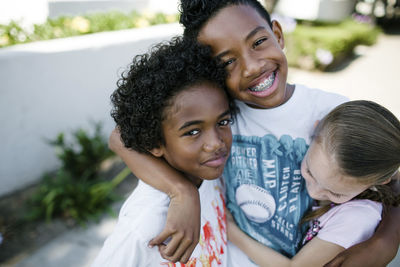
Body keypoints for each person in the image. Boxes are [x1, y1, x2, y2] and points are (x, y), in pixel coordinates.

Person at [109, 0, 400, 265]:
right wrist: (181, 192)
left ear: (278, 33)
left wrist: (386, 240)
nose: (252, 67)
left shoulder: (331, 112)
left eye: (259, 42)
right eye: (228, 62)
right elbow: (122, 136)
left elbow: (391, 172)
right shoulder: (220, 113)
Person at [92, 37, 236, 266]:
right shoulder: (144, 224)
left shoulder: (209, 176)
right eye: (192, 132)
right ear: (154, 143)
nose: (216, 143)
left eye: (223, 122)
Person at [226, 100, 400, 267]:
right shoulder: (324, 136)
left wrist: (231, 230)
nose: (314, 193)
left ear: (379, 182)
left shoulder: (357, 219)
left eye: (335, 193)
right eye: (309, 171)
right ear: (316, 127)